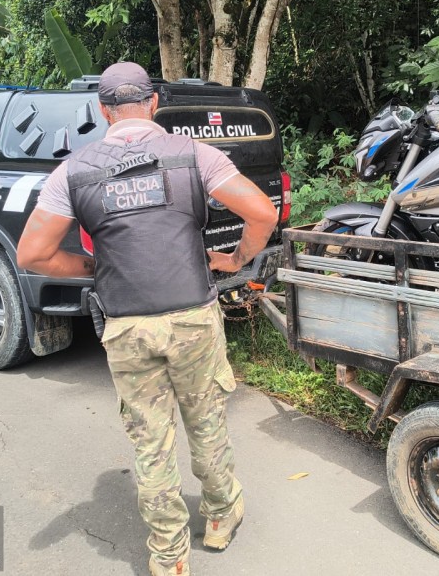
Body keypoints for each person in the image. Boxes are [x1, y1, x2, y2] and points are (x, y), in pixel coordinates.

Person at [17, 62, 279, 576]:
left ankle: (169, 556)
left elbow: (32, 254)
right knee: (205, 421)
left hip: (126, 325)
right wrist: (234, 259)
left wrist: (92, 267)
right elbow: (263, 213)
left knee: (150, 440)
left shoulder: (73, 171)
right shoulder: (194, 155)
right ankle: (222, 518)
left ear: (102, 109)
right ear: (154, 103)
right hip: (192, 317)